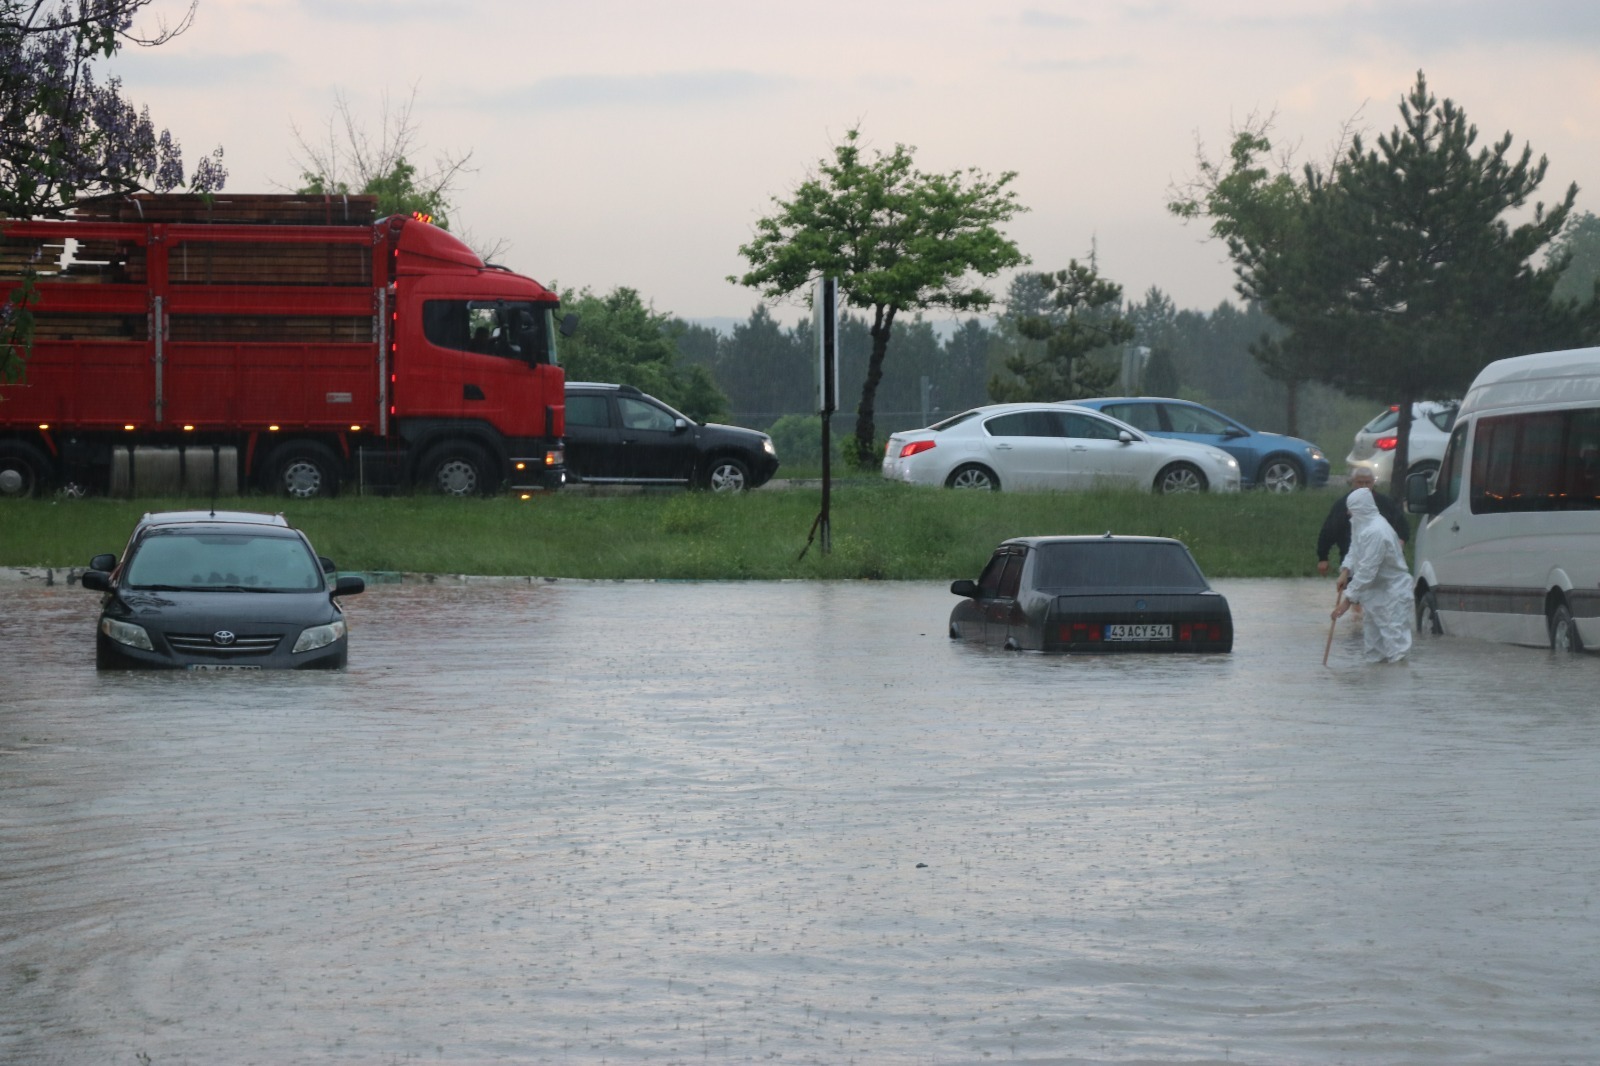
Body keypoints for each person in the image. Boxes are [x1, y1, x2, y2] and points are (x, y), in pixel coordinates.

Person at [1332, 487, 1413, 663]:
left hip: (1392, 594)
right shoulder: (1360, 524)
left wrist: (1347, 601)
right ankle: (1374, 685)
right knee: (1374, 648)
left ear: (1361, 509)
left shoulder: (1377, 531)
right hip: (1375, 593)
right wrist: (1345, 571)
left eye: (1351, 509)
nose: (1347, 513)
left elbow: (1367, 571)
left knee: (1395, 646)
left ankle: (1399, 686)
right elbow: (1355, 548)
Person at [1316, 468, 1409, 575]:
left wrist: (1400, 541)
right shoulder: (1343, 504)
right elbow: (1329, 530)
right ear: (1352, 483)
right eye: (1360, 482)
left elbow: (1402, 526)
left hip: (1383, 560)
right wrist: (1323, 557)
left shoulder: (1385, 503)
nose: (1364, 486)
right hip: (1352, 558)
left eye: (1367, 482)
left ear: (1373, 483)